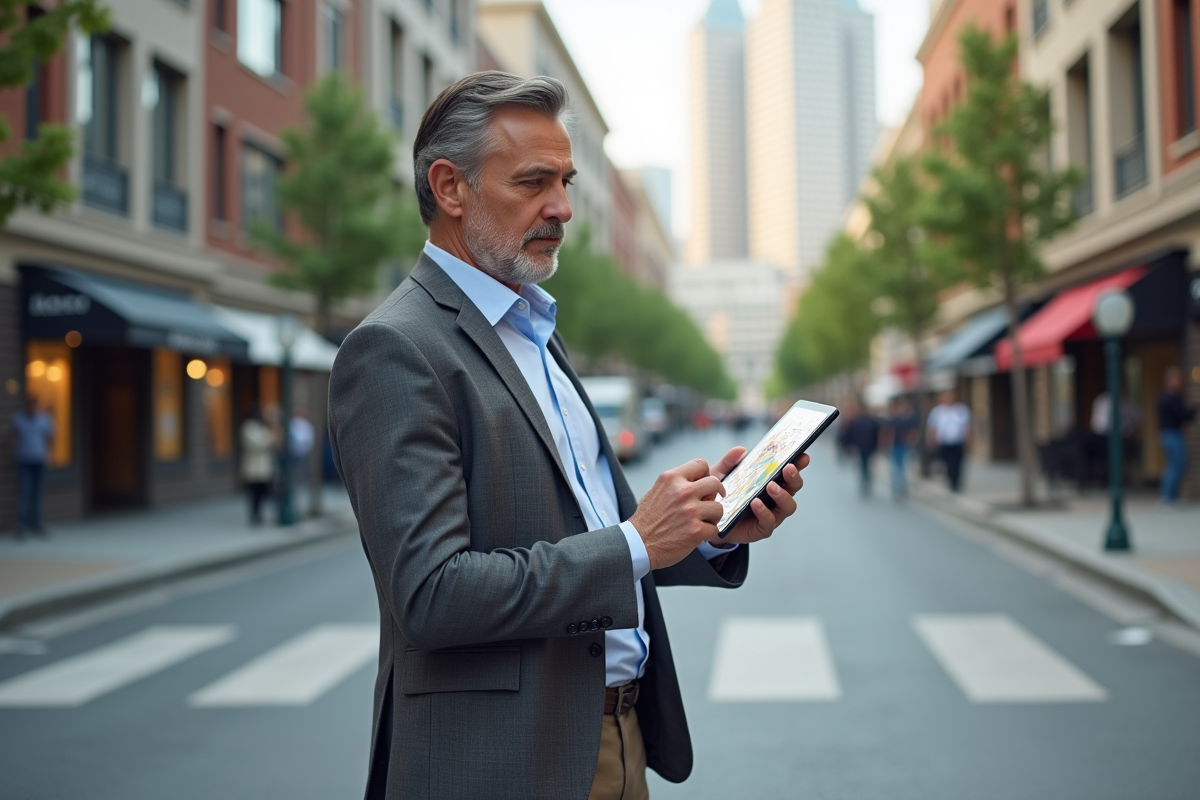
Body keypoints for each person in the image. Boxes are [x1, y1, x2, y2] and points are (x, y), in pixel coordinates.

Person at [328, 72, 811, 800]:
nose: (562, 207)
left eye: (567, 180)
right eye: (533, 182)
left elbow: (592, 533)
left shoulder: (535, 332)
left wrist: (709, 529)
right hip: (499, 767)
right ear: (450, 188)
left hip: (617, 740)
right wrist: (638, 541)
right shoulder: (397, 348)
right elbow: (430, 595)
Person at [11, 395, 54, 539]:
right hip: (24, 460)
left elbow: (50, 438)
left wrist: (48, 454)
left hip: (39, 459)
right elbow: (14, 437)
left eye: (33, 405)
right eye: (28, 405)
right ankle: (22, 525)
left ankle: (36, 523)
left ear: (36, 406)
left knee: (37, 493)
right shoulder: (18, 419)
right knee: (25, 492)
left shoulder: (44, 420)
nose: (30, 408)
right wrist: (15, 452)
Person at [1157, 366, 1197, 505]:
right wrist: (1193, 410)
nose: (1180, 383)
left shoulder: (1171, 397)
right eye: (1178, 380)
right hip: (1171, 434)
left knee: (1175, 465)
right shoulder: (1168, 398)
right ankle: (1167, 497)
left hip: (1171, 434)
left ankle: (1172, 496)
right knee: (1175, 465)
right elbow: (1180, 414)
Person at [927, 389, 972, 493]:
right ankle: (949, 480)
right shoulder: (937, 411)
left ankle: (956, 483)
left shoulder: (961, 409)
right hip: (944, 442)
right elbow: (932, 428)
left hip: (957, 442)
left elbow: (968, 426)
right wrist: (932, 440)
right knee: (946, 463)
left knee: (957, 463)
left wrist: (968, 440)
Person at [239, 408, 275, 525]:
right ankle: (255, 515)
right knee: (255, 493)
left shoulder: (261, 427)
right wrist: (270, 439)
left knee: (262, 493)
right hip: (254, 468)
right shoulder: (248, 427)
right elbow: (259, 443)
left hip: (263, 467)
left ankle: (259, 514)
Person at [884, 397, 919, 499]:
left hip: (901, 445)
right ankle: (899, 486)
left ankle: (899, 486)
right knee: (898, 467)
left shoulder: (901, 418)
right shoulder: (894, 418)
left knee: (898, 467)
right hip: (896, 446)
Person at [844, 401, 880, 498]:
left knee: (863, 464)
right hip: (869, 447)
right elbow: (876, 435)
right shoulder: (871, 421)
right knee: (867, 464)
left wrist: (850, 446)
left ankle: (865, 481)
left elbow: (850, 435)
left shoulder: (857, 421)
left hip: (861, 447)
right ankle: (867, 481)